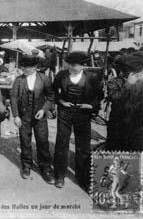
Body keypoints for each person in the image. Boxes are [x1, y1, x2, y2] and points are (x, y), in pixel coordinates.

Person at [53, 51, 103, 191]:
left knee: (83, 146)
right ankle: (59, 176)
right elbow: (54, 92)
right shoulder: (61, 75)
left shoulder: (92, 78)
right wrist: (61, 101)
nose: (71, 68)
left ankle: (82, 177)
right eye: (70, 65)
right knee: (62, 143)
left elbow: (100, 95)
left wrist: (91, 106)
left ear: (83, 66)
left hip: (83, 114)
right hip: (65, 112)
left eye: (75, 66)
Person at [11, 55, 55, 184]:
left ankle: (45, 167)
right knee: (25, 141)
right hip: (24, 117)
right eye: (23, 67)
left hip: (39, 116)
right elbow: (13, 98)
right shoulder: (19, 80)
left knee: (42, 141)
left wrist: (44, 110)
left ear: (35, 67)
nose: (24, 69)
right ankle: (26, 165)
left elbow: (51, 96)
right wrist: (16, 115)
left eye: (28, 67)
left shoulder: (44, 79)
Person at [107, 52, 143, 151]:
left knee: (138, 156)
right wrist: (128, 84)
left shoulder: (142, 84)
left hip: (137, 126)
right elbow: (115, 98)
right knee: (118, 154)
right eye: (140, 72)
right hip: (118, 125)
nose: (141, 74)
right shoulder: (114, 82)